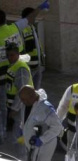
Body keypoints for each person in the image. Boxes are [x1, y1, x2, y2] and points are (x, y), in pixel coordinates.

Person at [0, 0, 48, 143]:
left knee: (3, 107)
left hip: (3, 77)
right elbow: (30, 18)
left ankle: (4, 134)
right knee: (21, 103)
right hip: (18, 71)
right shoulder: (14, 28)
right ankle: (23, 129)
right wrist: (40, 7)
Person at [18, 85, 62, 161]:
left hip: (45, 143)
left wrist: (42, 139)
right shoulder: (26, 103)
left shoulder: (46, 108)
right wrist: (22, 128)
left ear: (32, 96)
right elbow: (26, 119)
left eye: (24, 100)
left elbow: (57, 127)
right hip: (32, 142)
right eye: (22, 99)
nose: (22, 102)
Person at [5, 42, 33, 160]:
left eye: (12, 55)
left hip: (22, 107)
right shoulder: (15, 65)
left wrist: (14, 109)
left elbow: (22, 92)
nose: (10, 58)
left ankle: (22, 160)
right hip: (17, 107)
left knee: (19, 135)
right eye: (8, 55)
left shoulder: (21, 68)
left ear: (17, 54)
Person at [21, 7, 45, 90]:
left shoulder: (32, 28)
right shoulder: (21, 30)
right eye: (33, 16)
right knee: (27, 90)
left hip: (37, 66)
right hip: (29, 67)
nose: (35, 18)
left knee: (36, 91)